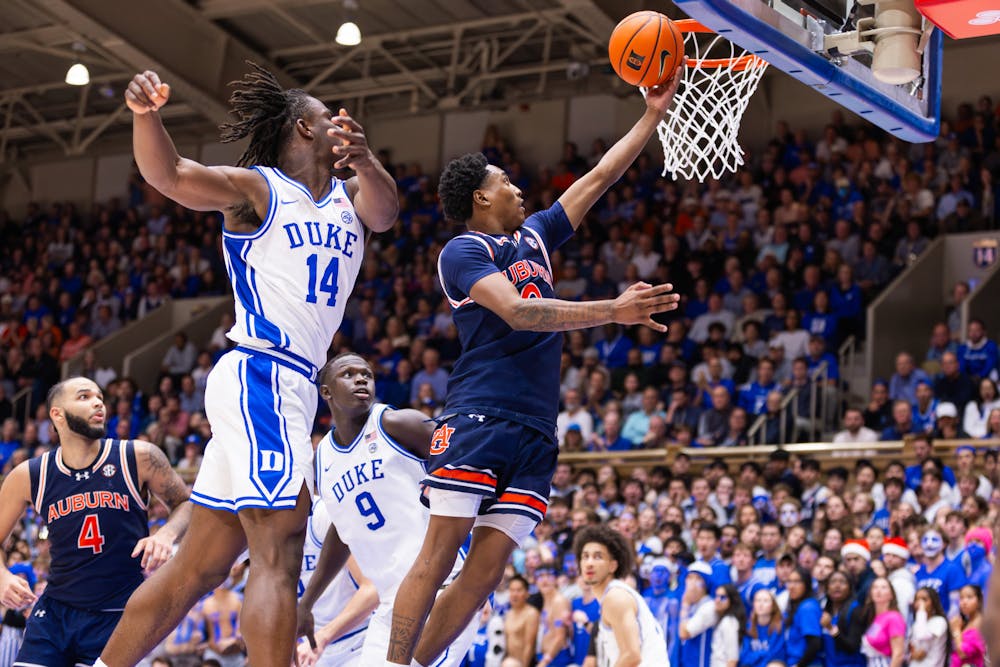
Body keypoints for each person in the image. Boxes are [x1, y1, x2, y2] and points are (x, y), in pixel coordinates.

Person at [95, 64, 398, 667]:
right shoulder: (258, 190)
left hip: (284, 384)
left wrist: (366, 160)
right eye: (327, 114)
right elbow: (171, 174)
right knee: (281, 549)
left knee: (200, 567)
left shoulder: (348, 196)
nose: (339, 121)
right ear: (302, 128)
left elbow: (386, 213)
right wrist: (146, 115)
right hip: (262, 372)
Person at [386, 70, 684, 666]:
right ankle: (391, 664)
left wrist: (651, 117)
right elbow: (520, 313)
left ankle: (418, 665)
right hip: (479, 414)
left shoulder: (537, 237)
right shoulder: (463, 251)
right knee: (439, 557)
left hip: (534, 429)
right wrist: (613, 311)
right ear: (480, 197)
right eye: (505, 182)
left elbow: (600, 177)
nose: (518, 189)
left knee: (482, 578)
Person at [297, 354, 478, 666]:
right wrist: (307, 603)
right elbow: (342, 532)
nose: (361, 380)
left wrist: (477, 580)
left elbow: (468, 455)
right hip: (390, 602)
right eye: (348, 374)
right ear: (326, 392)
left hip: (441, 590)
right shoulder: (322, 460)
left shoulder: (395, 423)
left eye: (366, 374)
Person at [0, 377, 192, 667]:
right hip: (55, 613)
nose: (98, 402)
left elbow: (186, 503)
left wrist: (166, 534)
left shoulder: (138, 456)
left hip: (120, 614)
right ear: (57, 414)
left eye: (100, 396)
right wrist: (2, 577)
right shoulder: (30, 475)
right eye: (84, 396)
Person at [295, 498, 377, 667]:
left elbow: (373, 590)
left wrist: (323, 637)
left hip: (360, 639)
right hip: (312, 650)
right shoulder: (259, 537)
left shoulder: (320, 515)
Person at [574, 525, 668, 666]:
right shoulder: (614, 595)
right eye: (585, 556)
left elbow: (631, 656)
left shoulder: (616, 597)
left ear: (613, 566)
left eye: (597, 557)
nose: (589, 563)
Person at [820, 570, 866, 667]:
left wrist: (831, 629)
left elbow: (852, 647)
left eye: (842, 582)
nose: (837, 586)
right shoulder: (825, 611)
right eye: (833, 582)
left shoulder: (855, 610)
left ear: (850, 588)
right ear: (827, 588)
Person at [859, 577, 905, 667]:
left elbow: (898, 654)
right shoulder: (875, 617)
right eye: (875, 587)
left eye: (883, 587)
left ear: (891, 595)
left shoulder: (894, 617)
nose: (878, 591)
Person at [785, 566, 823, 667]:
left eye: (797, 582)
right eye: (789, 581)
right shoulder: (796, 605)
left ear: (806, 584)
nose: (792, 586)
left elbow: (814, 643)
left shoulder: (808, 607)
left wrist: (799, 665)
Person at [740, 588, 786, 667]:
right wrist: (762, 653)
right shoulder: (749, 626)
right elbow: (744, 657)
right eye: (758, 600)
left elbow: (775, 654)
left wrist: (756, 655)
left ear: (773, 605)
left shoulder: (779, 625)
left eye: (765, 601)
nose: (761, 604)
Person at [502, 575, 539, 667]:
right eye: (512, 590)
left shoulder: (531, 613)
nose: (514, 594)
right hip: (509, 662)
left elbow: (529, 646)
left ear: (527, 593)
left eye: (518, 590)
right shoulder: (508, 614)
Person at [908, 587, 949, 667]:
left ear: (933, 602)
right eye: (917, 599)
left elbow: (921, 635)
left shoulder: (939, 621)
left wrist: (921, 611)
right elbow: (913, 650)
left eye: (924, 599)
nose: (919, 603)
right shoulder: (917, 623)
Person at [950, 584, 985, 667]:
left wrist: (956, 630)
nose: (964, 602)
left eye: (969, 597)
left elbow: (963, 653)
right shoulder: (965, 622)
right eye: (961, 598)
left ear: (979, 600)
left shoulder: (981, 623)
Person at [711, 584, 743, 667]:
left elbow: (732, 659)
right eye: (716, 596)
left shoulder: (729, 622)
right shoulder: (723, 619)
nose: (718, 600)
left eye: (722, 597)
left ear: (731, 600)